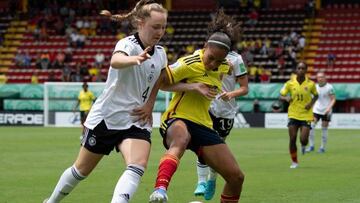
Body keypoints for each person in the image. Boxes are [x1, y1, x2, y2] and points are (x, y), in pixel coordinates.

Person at [43, 1, 168, 203]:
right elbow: (116, 61)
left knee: (138, 164)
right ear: (140, 23)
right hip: (108, 117)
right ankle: (51, 201)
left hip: (136, 118)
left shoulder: (161, 53)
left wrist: (150, 104)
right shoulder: (127, 45)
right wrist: (135, 59)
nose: (160, 31)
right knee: (81, 170)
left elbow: (159, 79)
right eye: (156, 26)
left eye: (163, 26)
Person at [148, 10, 245, 203]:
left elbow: (234, 77)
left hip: (203, 124)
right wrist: (193, 86)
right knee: (181, 139)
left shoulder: (226, 66)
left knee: (236, 177)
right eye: (210, 58)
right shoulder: (189, 62)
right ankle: (159, 191)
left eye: (219, 60)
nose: (213, 64)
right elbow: (161, 81)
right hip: (178, 118)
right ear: (204, 46)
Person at [193, 41, 249, 201]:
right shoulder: (202, 53)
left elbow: (245, 88)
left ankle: (212, 179)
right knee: (202, 145)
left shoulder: (236, 59)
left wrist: (231, 94)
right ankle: (201, 181)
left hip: (226, 111)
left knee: (217, 149)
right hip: (207, 107)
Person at [279, 62, 318, 169]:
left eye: (303, 68)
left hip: (306, 115)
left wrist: (310, 104)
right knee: (292, 138)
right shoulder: (289, 83)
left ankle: (304, 145)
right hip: (293, 114)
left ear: (306, 70)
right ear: (296, 69)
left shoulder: (311, 84)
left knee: (303, 139)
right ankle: (294, 162)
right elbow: (280, 95)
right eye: (299, 68)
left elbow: (316, 95)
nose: (300, 70)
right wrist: (285, 98)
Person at [306, 72, 336, 153]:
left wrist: (329, 108)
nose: (320, 78)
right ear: (317, 78)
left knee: (324, 129)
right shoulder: (315, 87)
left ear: (325, 77)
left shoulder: (329, 87)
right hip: (316, 110)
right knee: (311, 127)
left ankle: (322, 147)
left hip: (326, 110)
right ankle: (311, 146)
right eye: (319, 77)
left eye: (322, 77)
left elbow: (333, 99)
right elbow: (313, 99)